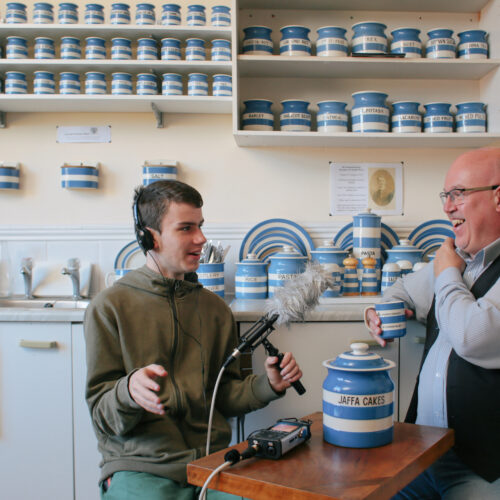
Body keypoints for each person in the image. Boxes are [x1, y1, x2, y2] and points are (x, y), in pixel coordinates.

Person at [84, 180, 303, 500]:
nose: (201, 239)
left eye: (200, 226)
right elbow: (103, 415)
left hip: (212, 464)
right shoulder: (109, 307)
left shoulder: (216, 311)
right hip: (141, 468)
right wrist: (128, 390)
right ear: (150, 236)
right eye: (186, 228)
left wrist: (268, 384)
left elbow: (224, 394)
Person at [365, 147, 500, 499]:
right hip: (423, 454)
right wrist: (379, 313)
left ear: (498, 197)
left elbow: (473, 336)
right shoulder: (457, 257)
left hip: (483, 468)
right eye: (446, 196)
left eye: (459, 194)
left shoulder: (449, 265)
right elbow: (400, 292)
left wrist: (446, 274)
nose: (447, 206)